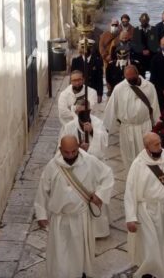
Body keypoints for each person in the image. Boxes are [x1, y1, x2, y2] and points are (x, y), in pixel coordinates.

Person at [34, 135, 114, 278]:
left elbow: (107, 175)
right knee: (60, 253)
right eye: (66, 152)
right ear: (60, 149)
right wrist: (41, 214)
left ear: (78, 147)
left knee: (79, 251)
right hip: (60, 218)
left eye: (73, 152)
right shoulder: (53, 166)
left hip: (81, 216)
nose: (70, 156)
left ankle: (80, 273)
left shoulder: (89, 161)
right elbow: (42, 190)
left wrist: (100, 194)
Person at [124, 133, 164, 278]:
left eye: (160, 143)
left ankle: (159, 271)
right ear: (146, 147)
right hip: (145, 210)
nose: (159, 147)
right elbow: (129, 191)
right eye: (155, 145)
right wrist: (130, 217)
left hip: (163, 207)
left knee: (161, 241)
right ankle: (146, 273)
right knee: (149, 244)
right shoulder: (138, 164)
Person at [58, 99, 111, 239]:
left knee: (95, 195)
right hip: (76, 166)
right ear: (76, 111)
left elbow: (104, 143)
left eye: (86, 111)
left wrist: (93, 132)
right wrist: (78, 150)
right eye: (81, 112)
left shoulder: (97, 123)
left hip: (94, 166)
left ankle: (98, 231)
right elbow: (62, 144)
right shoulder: (69, 126)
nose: (84, 114)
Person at [103, 65, 160, 170]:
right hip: (127, 128)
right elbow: (111, 109)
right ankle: (132, 177)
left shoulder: (149, 86)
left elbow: (155, 106)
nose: (130, 81)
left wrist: (157, 124)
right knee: (129, 156)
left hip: (145, 127)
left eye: (132, 78)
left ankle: (146, 176)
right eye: (128, 79)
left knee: (146, 154)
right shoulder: (119, 88)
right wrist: (106, 128)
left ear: (137, 74)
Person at [69, 38, 104, 104]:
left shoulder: (97, 61)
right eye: (83, 47)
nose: (86, 50)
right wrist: (71, 93)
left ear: (91, 49)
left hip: (93, 91)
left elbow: (100, 79)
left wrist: (100, 94)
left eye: (88, 48)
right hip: (79, 91)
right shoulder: (76, 61)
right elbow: (72, 78)